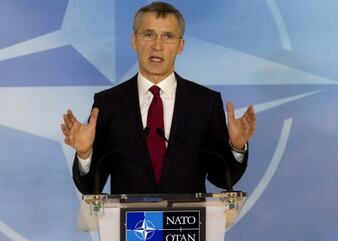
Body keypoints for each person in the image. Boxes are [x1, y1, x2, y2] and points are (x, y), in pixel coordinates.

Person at [61, 2, 256, 194]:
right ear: (134, 41)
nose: (157, 46)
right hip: (130, 224)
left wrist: (236, 147)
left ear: (180, 45)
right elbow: (91, 187)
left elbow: (221, 178)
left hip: (186, 224)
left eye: (168, 36)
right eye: (148, 34)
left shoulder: (205, 103)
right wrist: (85, 153)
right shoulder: (108, 104)